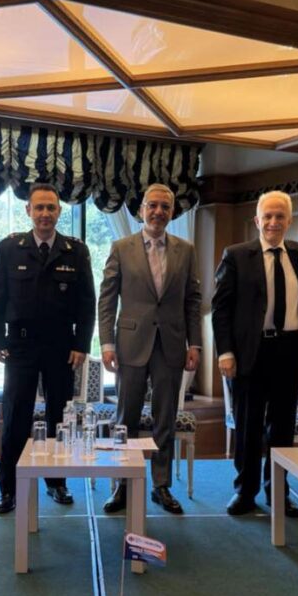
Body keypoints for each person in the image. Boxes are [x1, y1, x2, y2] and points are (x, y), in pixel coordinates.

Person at [0, 183, 96, 514]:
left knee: (58, 417)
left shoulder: (75, 250)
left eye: (51, 208)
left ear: (59, 211)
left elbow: (87, 303)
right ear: (28, 211)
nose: (45, 213)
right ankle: (9, 489)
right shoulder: (10, 247)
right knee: (16, 416)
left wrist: (81, 344)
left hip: (61, 345)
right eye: (39, 208)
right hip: (20, 345)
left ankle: (57, 482)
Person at [98, 183, 202, 515]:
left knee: (165, 418)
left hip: (171, 344)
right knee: (125, 417)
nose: (158, 212)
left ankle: (161, 485)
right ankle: (122, 483)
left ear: (172, 212)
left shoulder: (186, 250)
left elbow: (193, 300)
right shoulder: (121, 247)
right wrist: (106, 343)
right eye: (152, 205)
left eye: (165, 207)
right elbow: (107, 299)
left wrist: (195, 343)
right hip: (130, 345)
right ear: (141, 209)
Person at [213, 190, 298, 517]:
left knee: (282, 430)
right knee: (248, 427)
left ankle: (278, 492)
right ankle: (245, 491)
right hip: (249, 353)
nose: (273, 222)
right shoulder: (236, 255)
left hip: (289, 352)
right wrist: (225, 352)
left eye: (280, 216)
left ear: (289, 221)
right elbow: (220, 309)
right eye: (267, 216)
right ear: (257, 220)